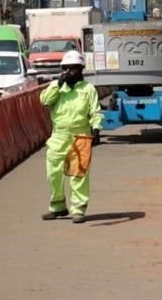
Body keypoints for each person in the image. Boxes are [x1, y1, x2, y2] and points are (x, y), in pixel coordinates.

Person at [38, 50, 103, 224]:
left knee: (79, 174)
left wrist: (96, 129)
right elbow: (44, 101)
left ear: (80, 69)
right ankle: (58, 206)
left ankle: (78, 209)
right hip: (59, 136)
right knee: (54, 173)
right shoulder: (57, 87)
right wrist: (58, 85)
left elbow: (95, 111)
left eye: (73, 68)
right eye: (66, 68)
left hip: (81, 135)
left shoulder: (88, 89)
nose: (69, 72)